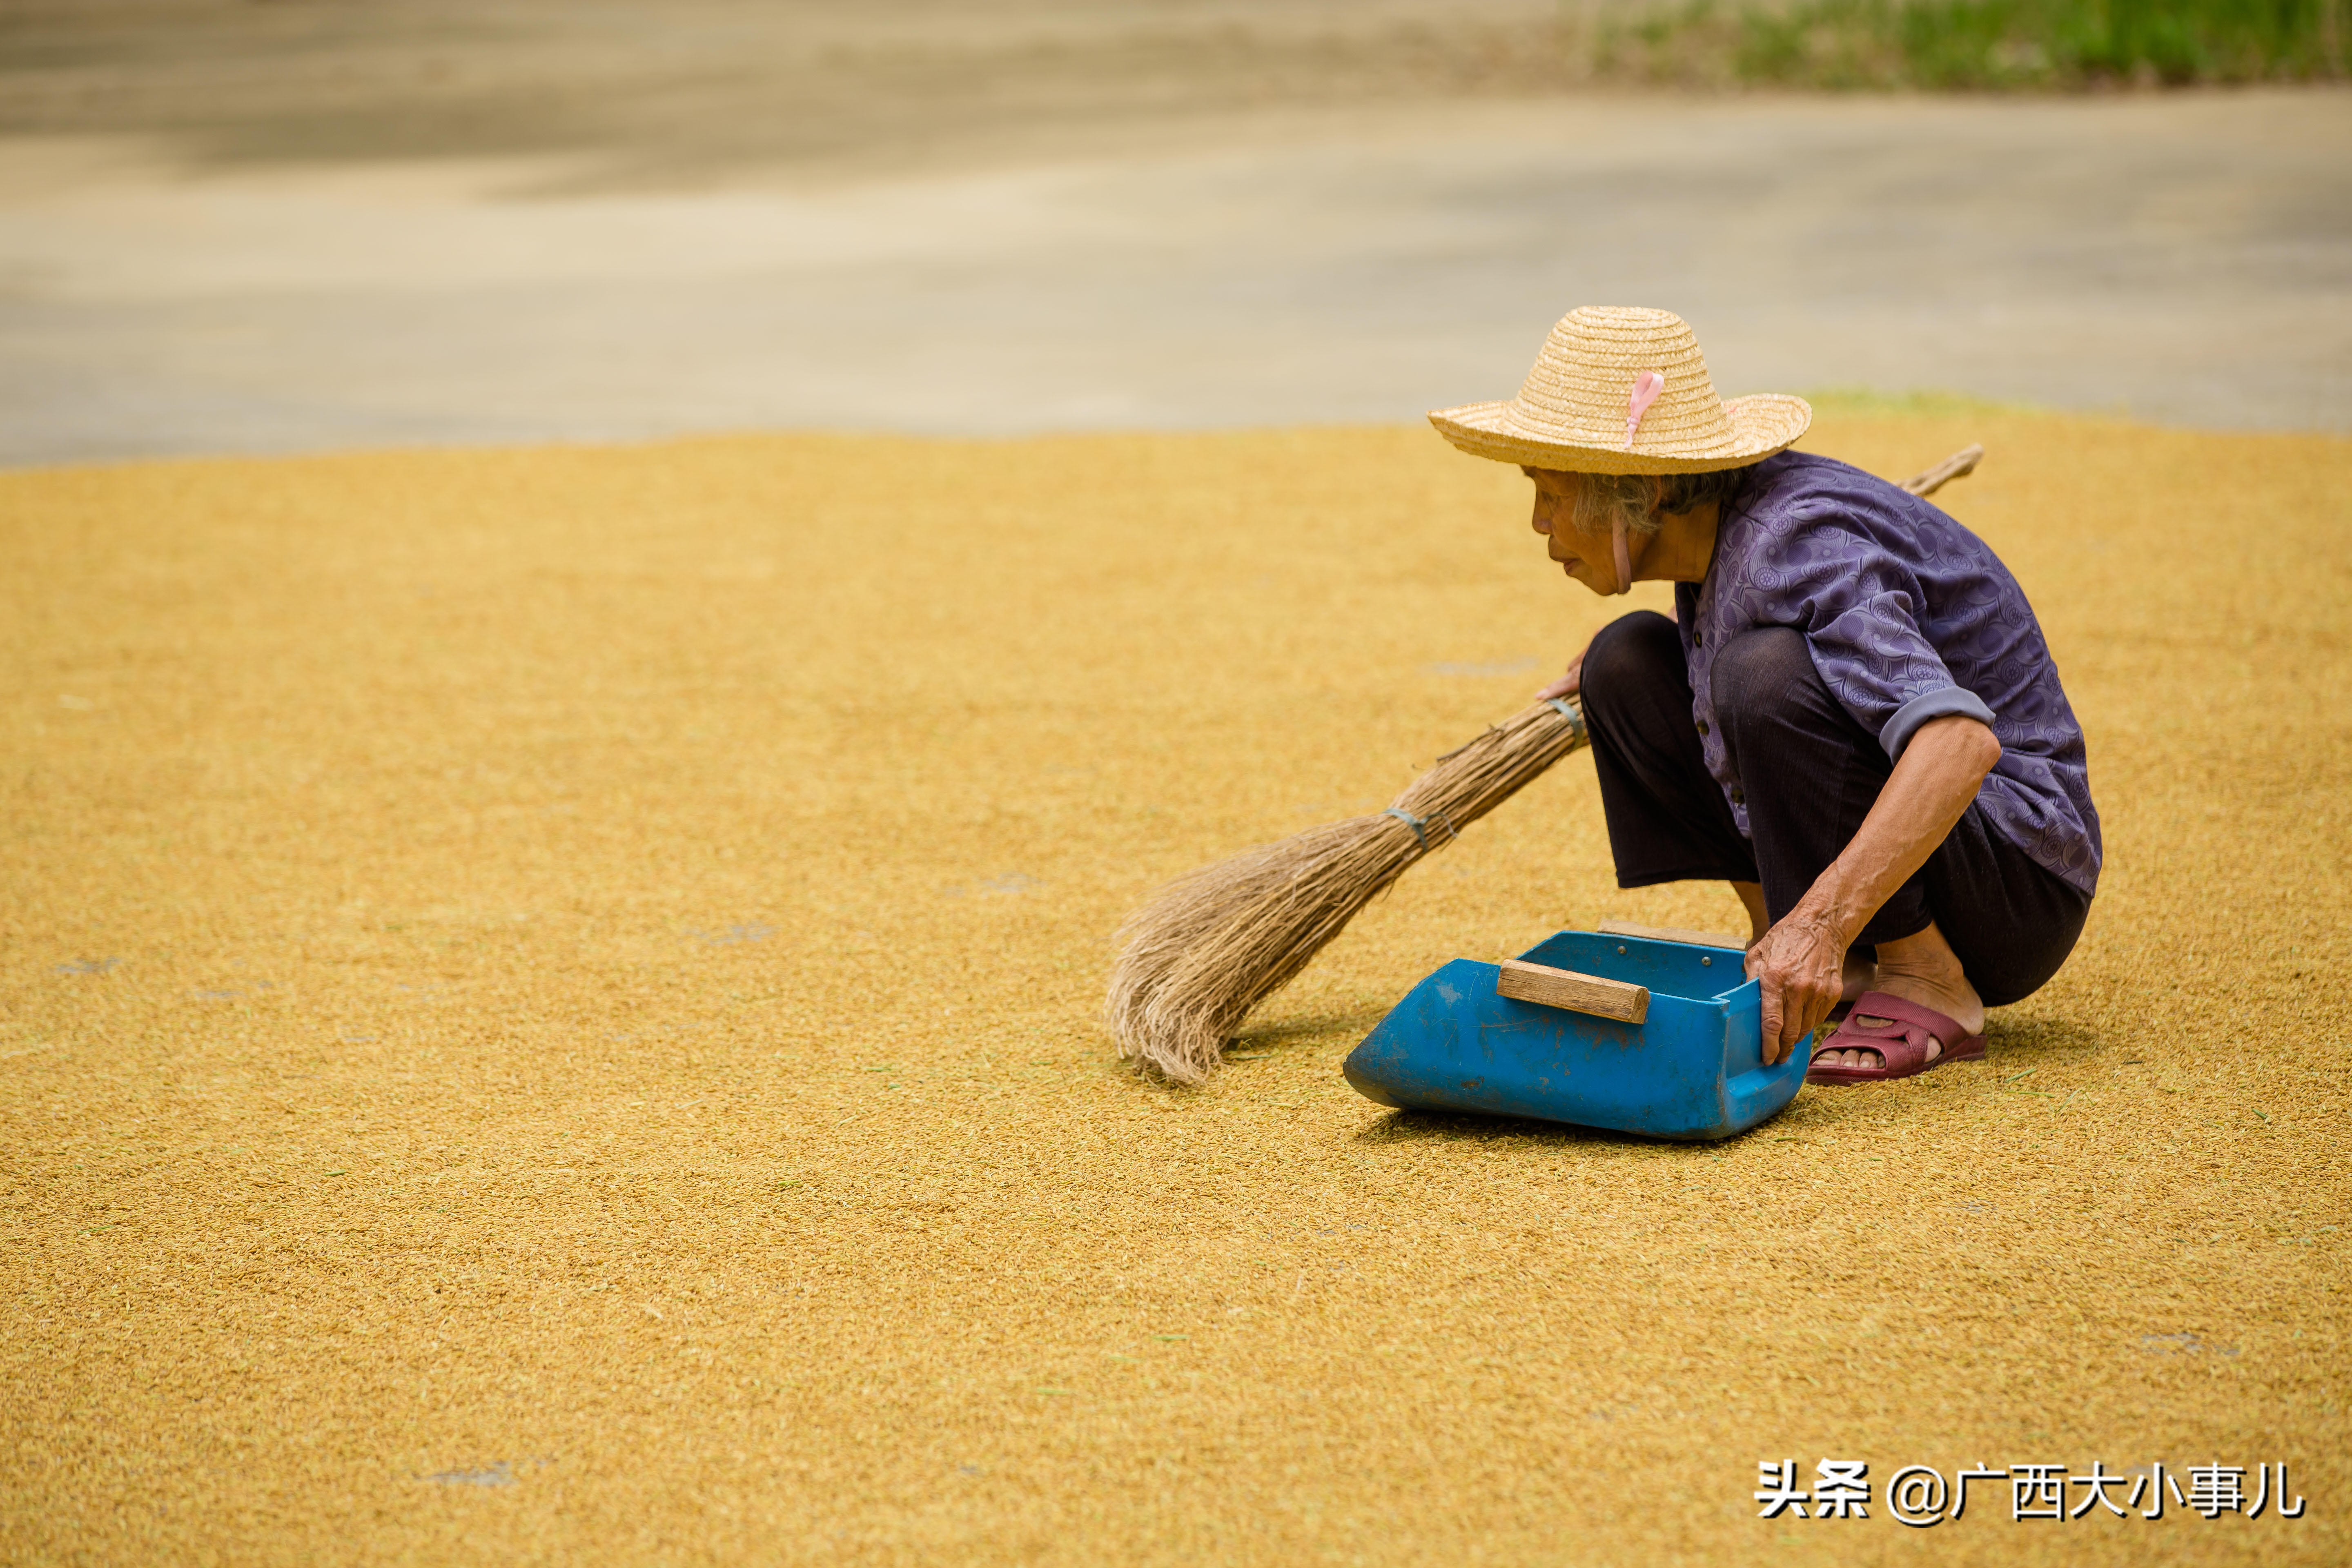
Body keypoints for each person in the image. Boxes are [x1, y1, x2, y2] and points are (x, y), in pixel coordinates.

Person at [1428, 306, 2099, 1082]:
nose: (1539, 522)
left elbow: (1959, 742)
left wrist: (1824, 923)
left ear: (1640, 491)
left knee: (1760, 673)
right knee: (1627, 661)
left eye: (1550, 490)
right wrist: (1680, 654)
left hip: (2016, 882)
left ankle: (1925, 977)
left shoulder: (1793, 543)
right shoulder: (1717, 543)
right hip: (1939, 860)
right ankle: (1792, 956)